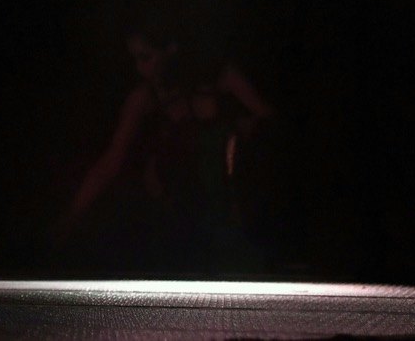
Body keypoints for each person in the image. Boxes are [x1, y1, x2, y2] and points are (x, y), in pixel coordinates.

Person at [55, 18, 275, 271]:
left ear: (171, 49)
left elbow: (268, 122)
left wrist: (246, 129)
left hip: (232, 217)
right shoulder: (146, 98)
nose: (140, 68)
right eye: (135, 59)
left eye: (146, 57)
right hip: (181, 222)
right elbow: (111, 160)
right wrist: (73, 215)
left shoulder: (220, 78)